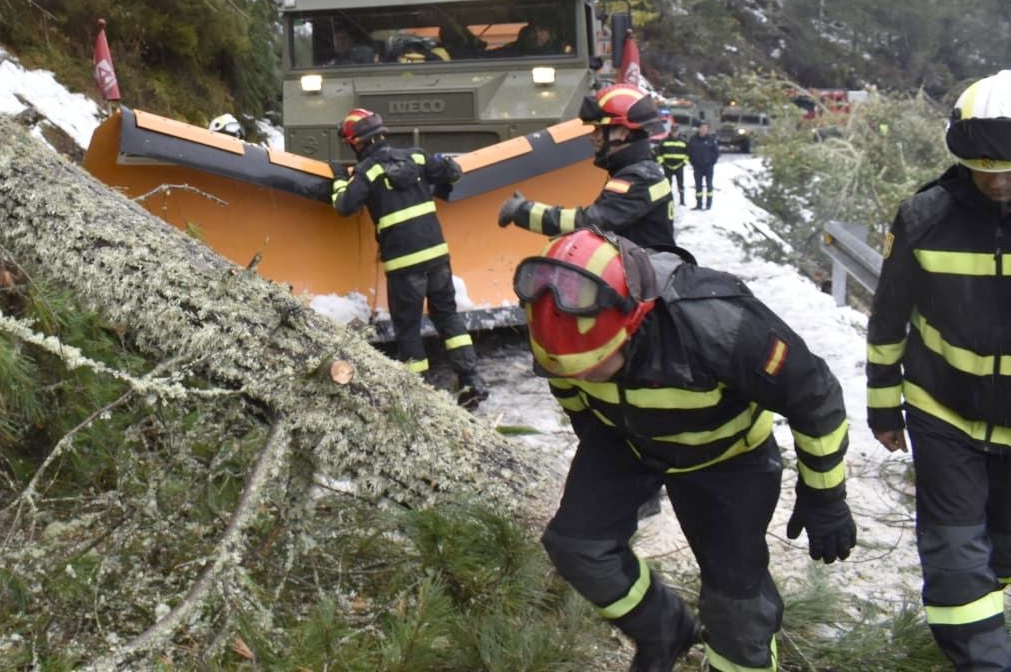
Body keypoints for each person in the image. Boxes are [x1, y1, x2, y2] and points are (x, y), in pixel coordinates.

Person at [517, 228, 854, 672]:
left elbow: (815, 397)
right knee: (579, 546)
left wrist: (825, 494)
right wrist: (606, 467)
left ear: (634, 322)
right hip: (624, 440)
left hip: (725, 457)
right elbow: (576, 399)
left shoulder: (720, 325)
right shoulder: (558, 335)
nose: (587, 375)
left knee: (735, 601)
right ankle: (664, 629)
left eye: (598, 364)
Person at [867, 70, 1011, 672]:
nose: (997, 180)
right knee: (955, 563)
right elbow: (888, 317)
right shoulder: (925, 217)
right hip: (941, 410)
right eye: (983, 165)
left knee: (998, 558)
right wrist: (882, 404)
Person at [331, 108, 489, 408]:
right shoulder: (416, 157)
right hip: (437, 256)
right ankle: (471, 381)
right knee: (447, 316)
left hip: (404, 265)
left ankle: (419, 396)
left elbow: (343, 205)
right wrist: (437, 182)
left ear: (356, 144)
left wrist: (340, 179)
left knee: (409, 328)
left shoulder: (368, 171)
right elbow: (453, 171)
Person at [496, 83, 675, 249]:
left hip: (642, 279)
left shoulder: (638, 179)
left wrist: (523, 212)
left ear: (622, 132)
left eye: (598, 129)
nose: (593, 136)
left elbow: (587, 224)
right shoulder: (641, 171)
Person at [654, 123, 690, 207]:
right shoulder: (664, 141)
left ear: (678, 131)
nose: (675, 133)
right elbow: (659, 153)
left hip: (679, 166)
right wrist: (662, 162)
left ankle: (682, 201)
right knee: (667, 185)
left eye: (676, 131)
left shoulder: (684, 141)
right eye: (673, 131)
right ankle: (667, 200)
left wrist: (684, 163)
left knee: (680, 184)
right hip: (667, 166)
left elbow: (688, 154)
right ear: (671, 131)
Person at [687, 120, 720, 210]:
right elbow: (689, 152)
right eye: (702, 128)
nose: (704, 130)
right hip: (697, 167)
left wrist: (712, 162)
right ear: (698, 129)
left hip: (708, 167)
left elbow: (716, 153)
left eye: (706, 128)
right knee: (698, 186)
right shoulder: (693, 139)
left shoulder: (711, 139)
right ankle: (699, 204)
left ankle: (708, 205)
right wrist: (693, 162)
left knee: (709, 185)